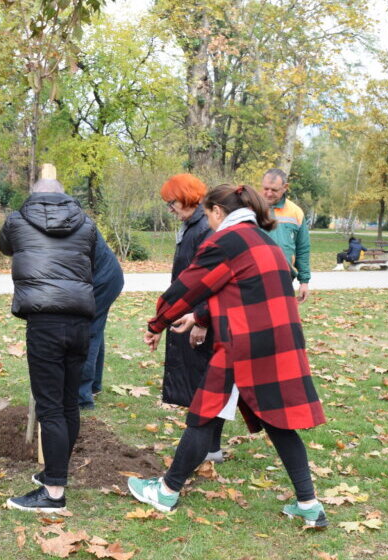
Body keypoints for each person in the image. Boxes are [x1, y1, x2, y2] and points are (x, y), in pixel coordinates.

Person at [129, 184, 328, 529]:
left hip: (244, 345)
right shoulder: (264, 240)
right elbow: (240, 290)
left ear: (218, 212)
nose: (208, 221)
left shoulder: (227, 241)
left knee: (204, 414)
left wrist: (156, 323)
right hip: (277, 343)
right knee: (277, 423)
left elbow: (188, 286)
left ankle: (166, 490)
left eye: (208, 214)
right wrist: (200, 317)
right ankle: (309, 506)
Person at [0, 173, 97, 513]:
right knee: (69, 403)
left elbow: (4, 246)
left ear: (33, 196)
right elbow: (94, 262)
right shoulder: (86, 223)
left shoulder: (17, 220)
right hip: (80, 322)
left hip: (45, 323)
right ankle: (55, 472)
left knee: (51, 407)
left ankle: (53, 494)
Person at [158, 173, 223, 462]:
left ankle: (209, 448)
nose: (169, 209)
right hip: (192, 314)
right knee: (199, 380)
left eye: (171, 202)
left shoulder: (206, 228)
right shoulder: (191, 226)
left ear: (187, 198)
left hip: (201, 318)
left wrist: (202, 321)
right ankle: (208, 446)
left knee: (206, 382)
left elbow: (212, 279)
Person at [77, 228, 123, 410]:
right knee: (95, 329)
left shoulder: (70, 225)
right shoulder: (70, 218)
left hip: (103, 279)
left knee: (88, 332)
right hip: (106, 276)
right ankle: (94, 385)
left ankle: (82, 398)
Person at [260, 168, 310, 303]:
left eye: (274, 190)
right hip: (255, 278)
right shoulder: (251, 209)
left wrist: (304, 282)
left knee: (282, 321)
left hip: (285, 278)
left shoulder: (296, 212)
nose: (268, 193)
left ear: (285, 187)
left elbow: (302, 248)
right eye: (265, 188)